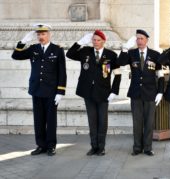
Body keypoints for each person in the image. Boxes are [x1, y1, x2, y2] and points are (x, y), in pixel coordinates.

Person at [11, 24, 67, 156]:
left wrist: (60, 91)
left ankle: (51, 145)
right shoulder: (33, 48)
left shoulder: (57, 50)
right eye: (38, 34)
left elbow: (62, 72)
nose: (40, 37)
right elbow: (15, 56)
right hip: (36, 89)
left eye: (43, 34)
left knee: (50, 119)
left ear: (49, 35)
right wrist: (23, 42)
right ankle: (41, 145)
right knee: (38, 119)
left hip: (51, 91)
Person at [66, 30, 121, 156]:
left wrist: (114, 91)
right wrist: (79, 42)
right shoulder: (85, 52)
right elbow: (69, 54)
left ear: (104, 41)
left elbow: (117, 75)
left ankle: (101, 147)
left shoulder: (111, 55)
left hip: (103, 93)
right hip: (88, 92)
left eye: (98, 40)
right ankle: (94, 146)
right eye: (94, 40)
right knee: (92, 120)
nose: (95, 42)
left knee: (102, 121)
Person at [117, 29, 164, 156]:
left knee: (149, 122)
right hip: (136, 93)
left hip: (150, 94)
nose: (139, 41)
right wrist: (125, 48)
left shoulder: (155, 54)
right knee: (137, 122)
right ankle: (137, 147)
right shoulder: (131, 53)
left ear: (147, 40)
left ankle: (148, 148)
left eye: (141, 38)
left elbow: (160, 75)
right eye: (137, 39)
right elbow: (120, 62)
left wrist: (160, 92)